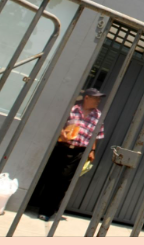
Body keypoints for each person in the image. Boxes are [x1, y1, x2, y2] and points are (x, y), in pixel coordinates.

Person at [36, 88, 106, 222]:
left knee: (63, 182)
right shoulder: (72, 109)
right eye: (96, 98)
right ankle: (40, 206)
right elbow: (58, 123)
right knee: (51, 178)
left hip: (78, 151)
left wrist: (92, 150)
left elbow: (96, 135)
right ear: (86, 98)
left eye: (99, 98)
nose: (98, 101)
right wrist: (61, 132)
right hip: (62, 148)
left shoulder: (98, 115)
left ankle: (48, 211)